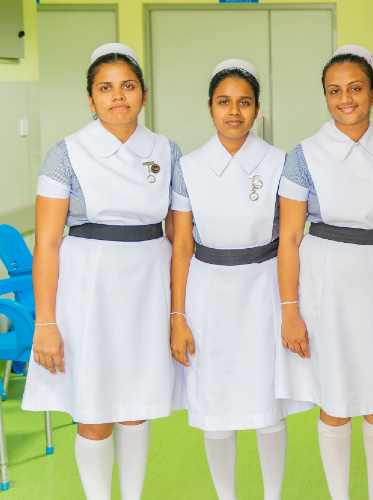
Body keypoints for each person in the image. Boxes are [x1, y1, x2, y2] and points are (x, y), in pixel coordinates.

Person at [23, 43, 179, 500]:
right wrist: (46, 323)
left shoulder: (167, 151)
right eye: (105, 89)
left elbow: (180, 235)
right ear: (90, 99)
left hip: (148, 286)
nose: (118, 97)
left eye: (128, 87)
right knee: (94, 409)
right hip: (87, 288)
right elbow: (48, 244)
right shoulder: (67, 154)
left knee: (135, 406)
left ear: (143, 96)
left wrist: (178, 311)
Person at [274, 45, 373, 500]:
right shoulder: (305, 154)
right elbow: (290, 240)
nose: (345, 99)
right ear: (325, 97)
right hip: (326, 284)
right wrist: (291, 311)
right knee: (334, 399)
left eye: (355, 88)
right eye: (334, 91)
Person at [169, 59, 306, 500]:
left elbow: (290, 237)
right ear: (209, 107)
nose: (234, 111)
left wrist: (290, 308)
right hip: (207, 290)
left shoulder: (278, 162)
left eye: (244, 102)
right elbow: (183, 245)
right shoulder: (188, 166)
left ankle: (272, 494)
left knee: (267, 405)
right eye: (224, 102)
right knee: (215, 405)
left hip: (263, 288)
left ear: (258, 110)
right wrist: (178, 314)